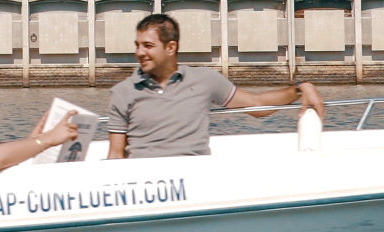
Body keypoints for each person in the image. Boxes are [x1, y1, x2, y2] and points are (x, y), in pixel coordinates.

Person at [108, 13, 326, 160]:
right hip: (146, 187)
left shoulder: (204, 80)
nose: (139, 53)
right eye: (137, 45)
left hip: (195, 182)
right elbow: (116, 155)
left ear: (170, 47)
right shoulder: (122, 92)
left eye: (148, 46)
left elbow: (257, 105)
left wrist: (300, 88)